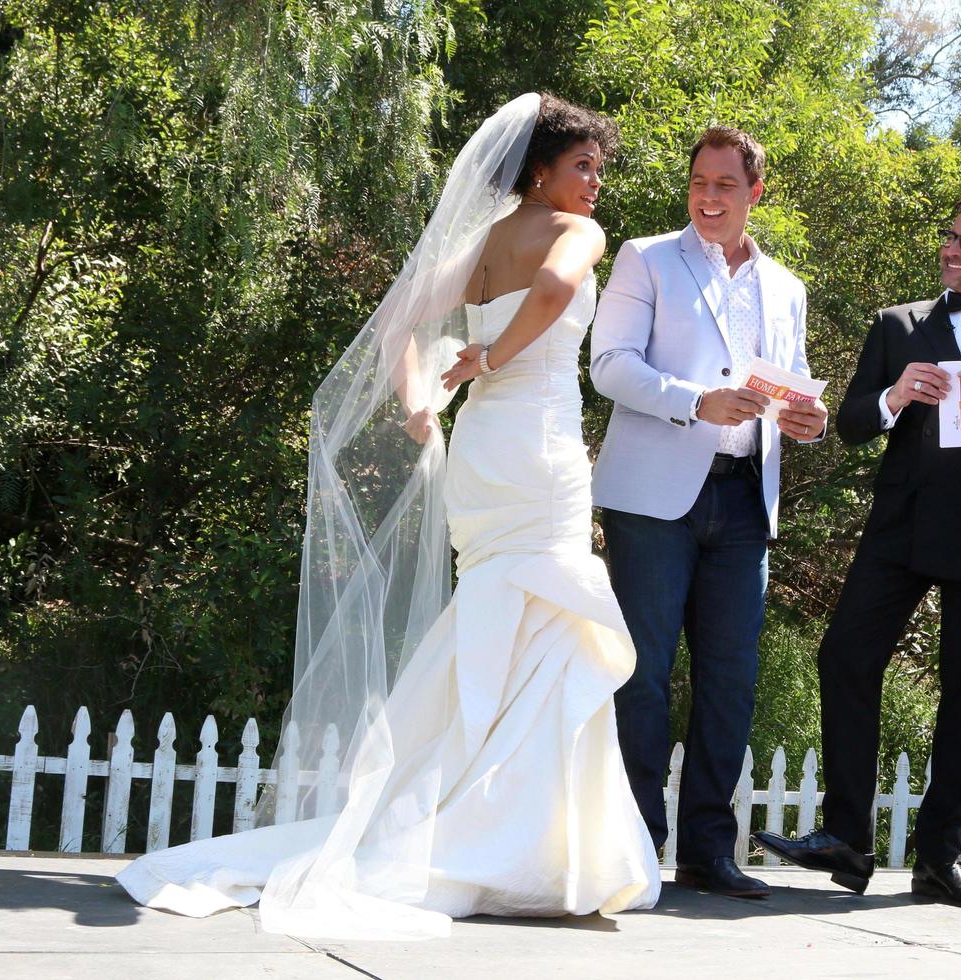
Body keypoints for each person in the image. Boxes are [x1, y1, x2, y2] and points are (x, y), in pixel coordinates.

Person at [116, 93, 659, 940]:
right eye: (582, 165)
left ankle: (475, 824)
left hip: (482, 450)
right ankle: (524, 846)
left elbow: (399, 323)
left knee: (498, 613)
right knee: (550, 624)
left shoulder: (480, 244)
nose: (595, 183)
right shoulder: (575, 235)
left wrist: (421, 407)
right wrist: (491, 354)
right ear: (540, 170)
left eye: (598, 168)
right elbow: (554, 293)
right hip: (540, 448)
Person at [753, 194, 961, 909]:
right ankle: (846, 841)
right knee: (845, 657)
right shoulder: (895, 326)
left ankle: (940, 860)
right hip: (900, 527)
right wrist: (893, 396)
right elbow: (854, 423)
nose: (953, 251)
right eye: (949, 238)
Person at [589, 127, 827, 900]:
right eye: (700, 182)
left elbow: (794, 386)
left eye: (726, 184)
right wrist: (696, 402)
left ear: (756, 193)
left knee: (730, 680)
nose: (709, 196)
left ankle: (707, 853)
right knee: (644, 676)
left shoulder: (786, 287)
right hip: (653, 500)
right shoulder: (646, 257)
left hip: (745, 498)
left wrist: (809, 419)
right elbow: (609, 365)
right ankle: (633, 848)